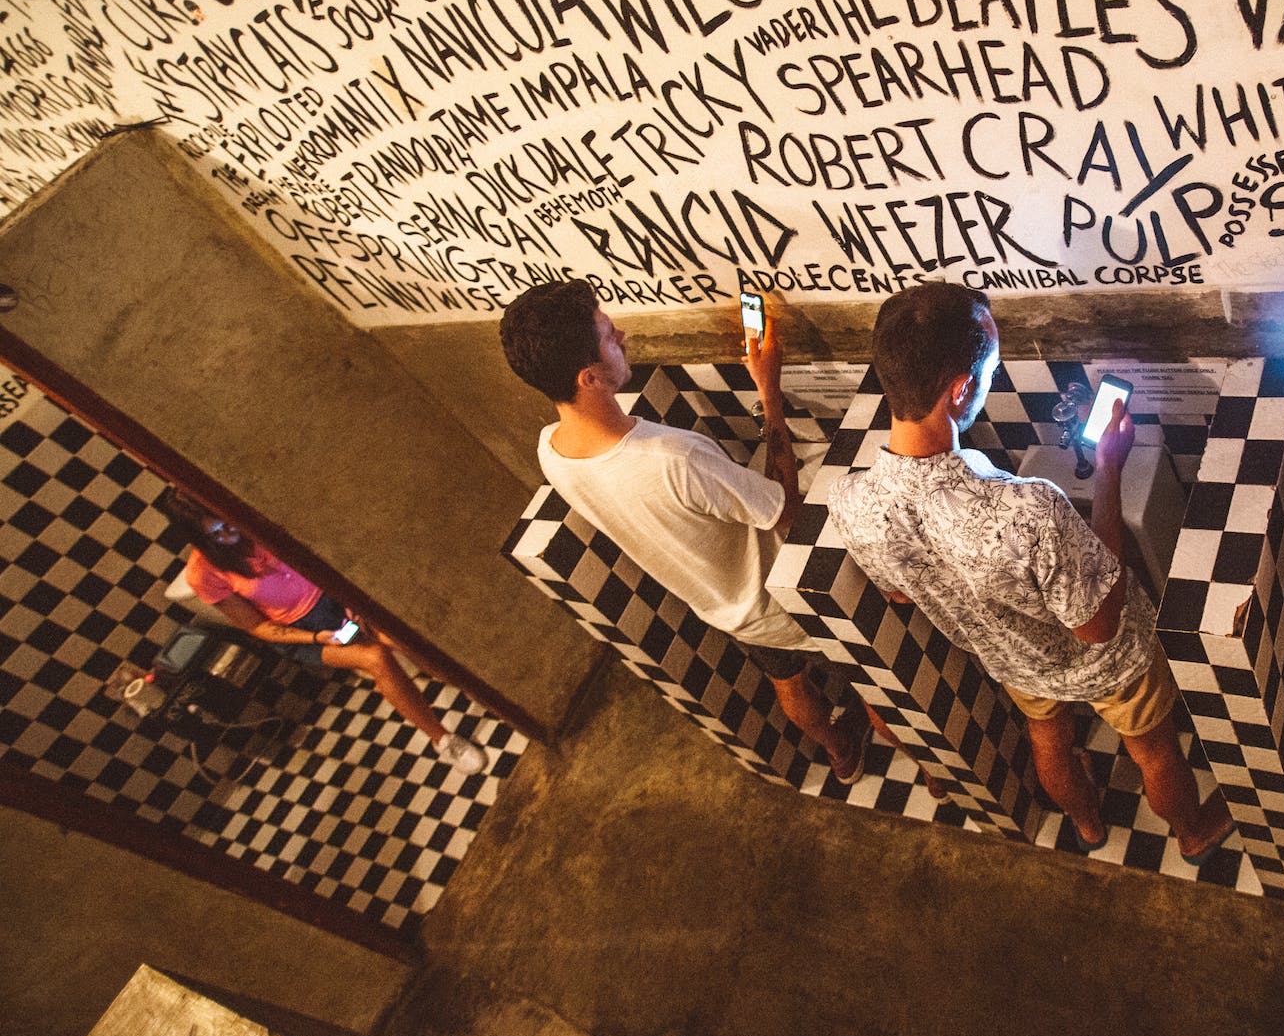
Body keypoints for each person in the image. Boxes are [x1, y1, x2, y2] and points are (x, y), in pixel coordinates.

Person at [828, 282, 1235, 863]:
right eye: (990, 367)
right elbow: (1099, 623)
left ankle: (1087, 823)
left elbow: (897, 594)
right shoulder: (1027, 510)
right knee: (1155, 753)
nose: (991, 380)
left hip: (1012, 665)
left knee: (1049, 741)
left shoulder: (851, 504)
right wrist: (1109, 471)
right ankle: (1192, 832)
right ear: (961, 387)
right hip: (1109, 663)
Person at [499, 280, 872, 783]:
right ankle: (935, 775)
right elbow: (784, 509)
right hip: (785, 593)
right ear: (590, 377)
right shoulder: (672, 457)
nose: (625, 336)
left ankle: (840, 753)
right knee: (870, 679)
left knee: (789, 682)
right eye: (610, 336)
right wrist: (768, 391)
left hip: (726, 608)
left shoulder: (552, 450)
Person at [156, 489, 488, 774]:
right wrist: (318, 637)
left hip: (334, 598)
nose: (230, 535)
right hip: (303, 630)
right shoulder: (205, 574)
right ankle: (443, 740)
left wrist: (348, 595)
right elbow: (258, 626)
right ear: (200, 538)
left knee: (398, 635)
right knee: (375, 657)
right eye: (217, 534)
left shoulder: (252, 519)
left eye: (227, 523)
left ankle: (474, 687)